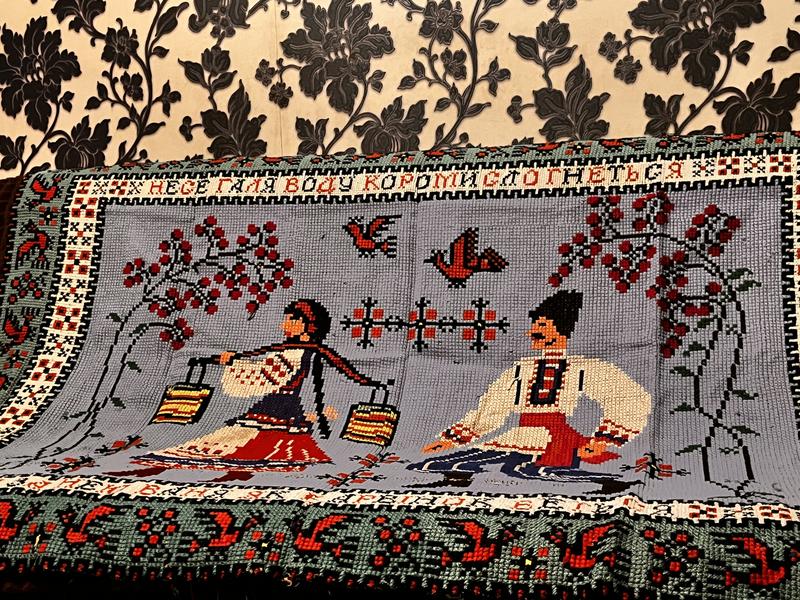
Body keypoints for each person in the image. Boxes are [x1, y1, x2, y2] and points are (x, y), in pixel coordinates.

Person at [110, 299, 383, 482]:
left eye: (290, 320)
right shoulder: (294, 350)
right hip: (275, 407)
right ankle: (191, 472)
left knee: (241, 447)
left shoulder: (296, 353)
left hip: (281, 409)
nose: (284, 325)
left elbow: (266, 375)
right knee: (235, 446)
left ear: (304, 324)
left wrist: (234, 363)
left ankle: (209, 475)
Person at [408, 290, 652, 488]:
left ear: (560, 330)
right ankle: (456, 480)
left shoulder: (580, 368)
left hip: (556, 439)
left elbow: (628, 396)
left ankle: (605, 481)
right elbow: (494, 405)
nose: (532, 332)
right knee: (438, 464)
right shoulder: (522, 369)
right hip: (520, 433)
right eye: (535, 325)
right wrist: (452, 439)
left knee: (523, 471)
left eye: (541, 325)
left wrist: (602, 440)